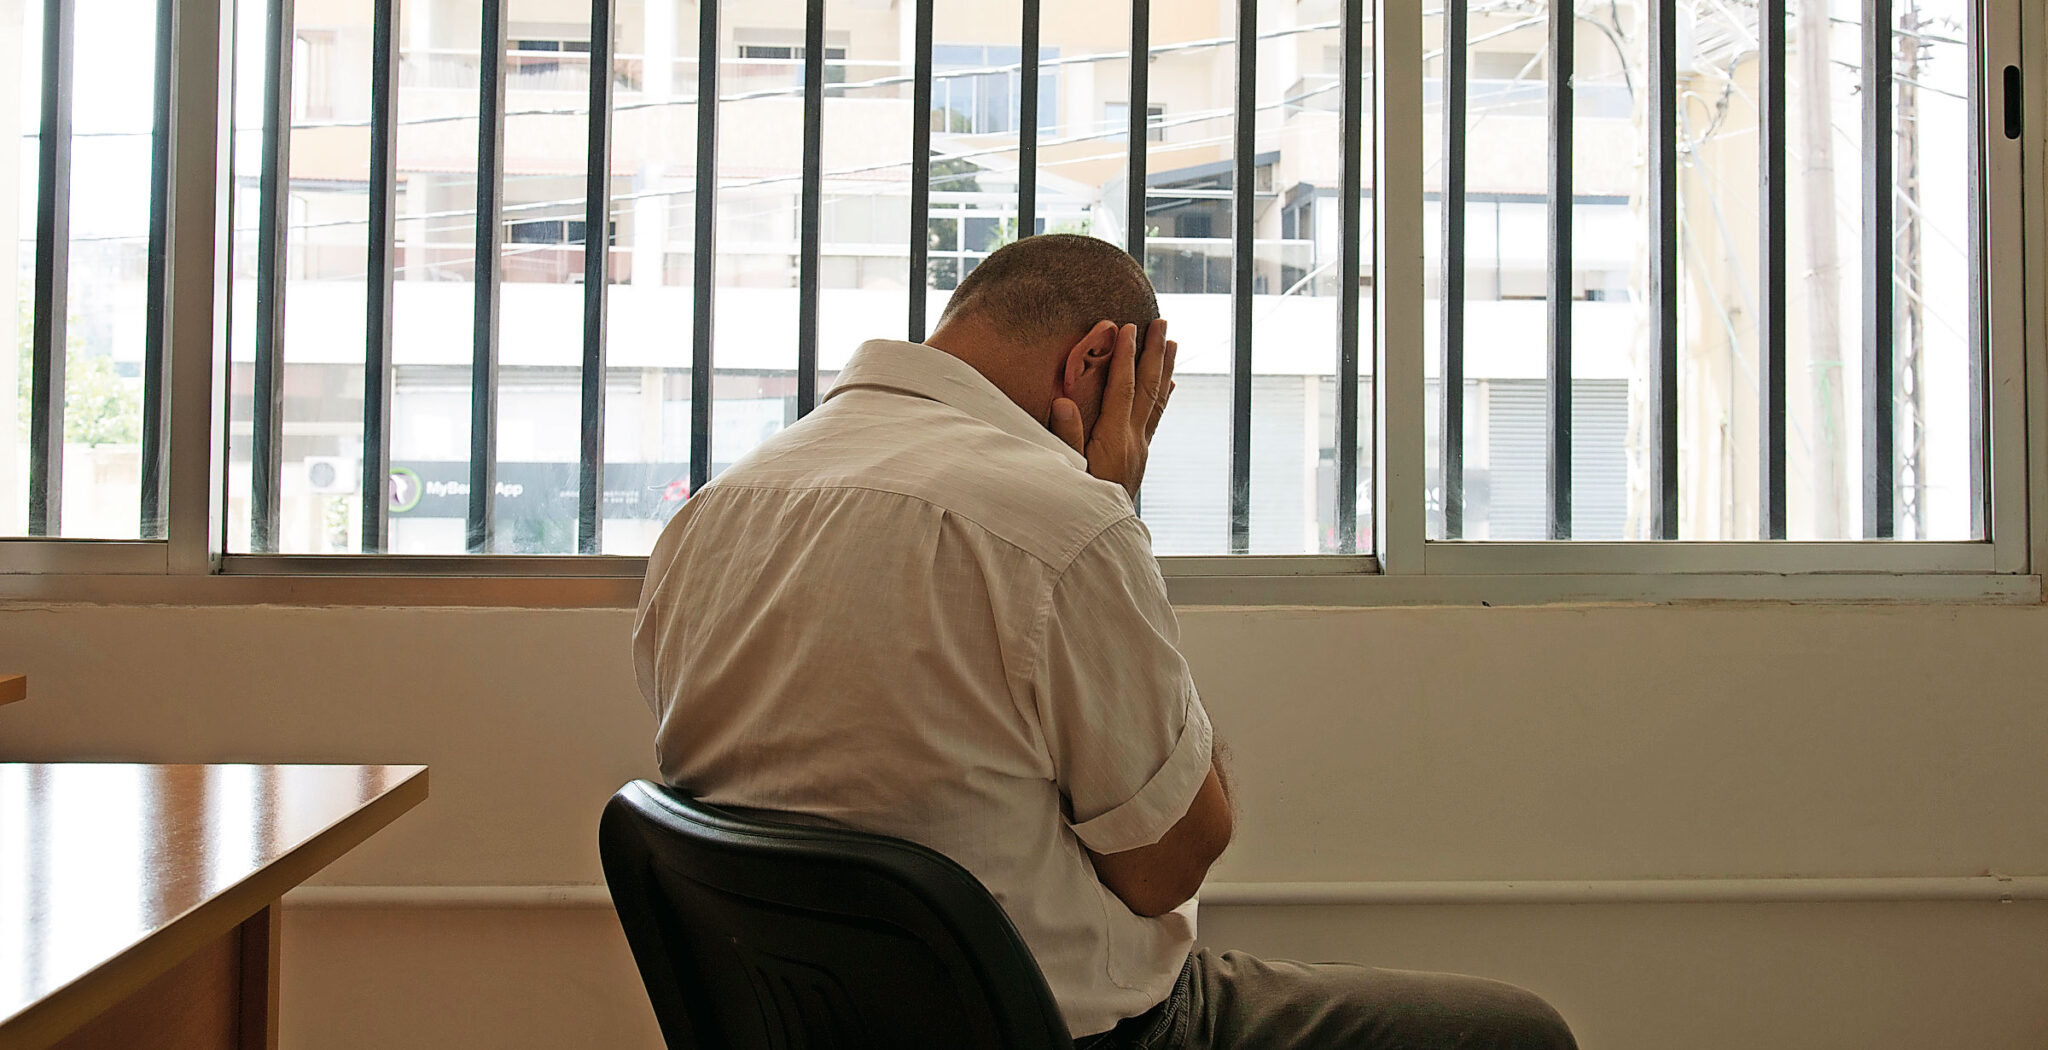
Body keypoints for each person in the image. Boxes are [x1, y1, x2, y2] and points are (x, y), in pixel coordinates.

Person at [634, 234, 1576, 1049]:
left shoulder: (715, 513)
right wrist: (1110, 510)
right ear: (1094, 359)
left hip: (805, 1031)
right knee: (1516, 1032)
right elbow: (1167, 865)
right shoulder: (1060, 524)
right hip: (1068, 1037)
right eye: (1149, 392)